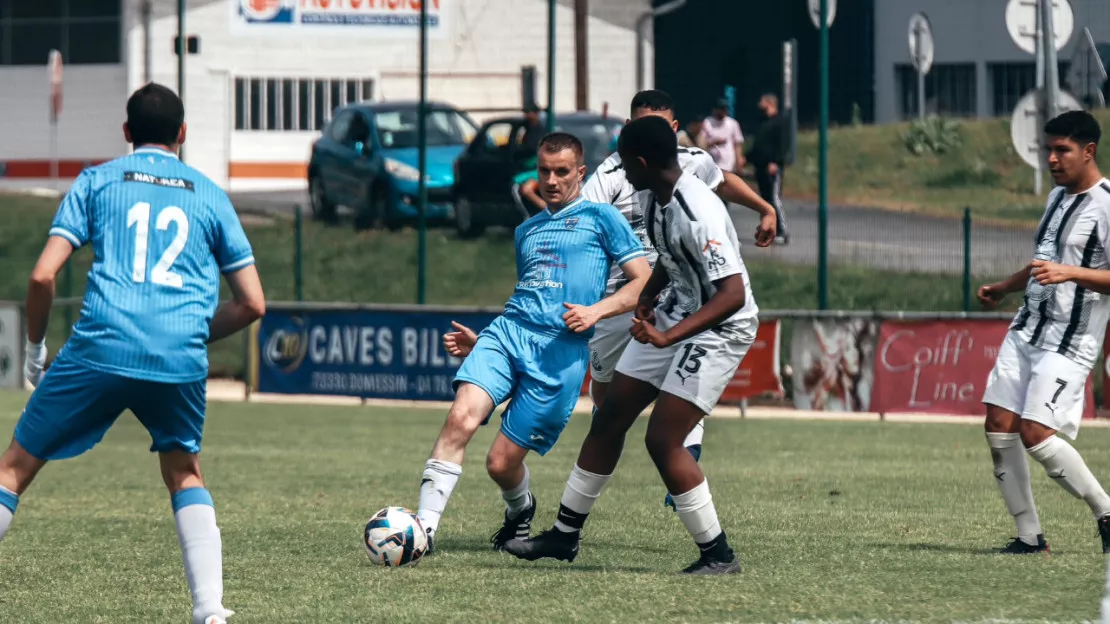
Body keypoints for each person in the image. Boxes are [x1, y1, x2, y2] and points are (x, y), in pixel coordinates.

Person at [0, 83, 266, 624]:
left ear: (126, 132)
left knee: (13, 469)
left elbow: (42, 275)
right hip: (178, 359)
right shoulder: (211, 195)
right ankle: (210, 610)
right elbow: (253, 303)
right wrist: (190, 331)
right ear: (183, 135)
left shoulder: (97, 181)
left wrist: (34, 347)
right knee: (185, 473)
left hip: (100, 345)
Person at [446, 90, 776, 511]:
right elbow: (579, 212)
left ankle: (686, 454)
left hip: (679, 296)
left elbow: (723, 182)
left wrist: (763, 207)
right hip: (624, 296)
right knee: (608, 402)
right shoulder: (615, 173)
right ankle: (571, 525)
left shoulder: (692, 171)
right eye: (638, 124)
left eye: (656, 124)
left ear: (672, 130)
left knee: (670, 406)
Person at [502, 115, 756, 574]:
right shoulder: (655, 198)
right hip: (676, 312)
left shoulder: (698, 210)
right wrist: (652, 295)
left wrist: (667, 335)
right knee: (610, 416)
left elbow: (732, 295)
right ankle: (564, 536)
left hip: (721, 328)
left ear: (640, 162)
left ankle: (718, 555)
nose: (616, 167)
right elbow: (668, 260)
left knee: (663, 439)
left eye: (621, 159)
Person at [416, 132, 651, 555]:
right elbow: (530, 292)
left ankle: (520, 509)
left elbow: (644, 282)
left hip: (559, 353)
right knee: (460, 420)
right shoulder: (526, 230)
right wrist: (481, 341)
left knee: (500, 464)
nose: (552, 180)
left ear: (580, 173)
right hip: (506, 335)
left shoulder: (602, 219)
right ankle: (423, 533)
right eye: (544, 171)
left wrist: (596, 312)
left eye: (562, 171)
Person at [977, 109, 1110, 556]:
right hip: (1027, 328)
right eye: (1047, 150)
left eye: (1061, 150)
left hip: (1070, 340)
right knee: (998, 426)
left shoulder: (1107, 204)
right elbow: (1043, 265)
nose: (1051, 159)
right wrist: (1005, 286)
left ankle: (1105, 511)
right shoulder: (1055, 198)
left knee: (1035, 433)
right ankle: (1029, 536)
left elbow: (1066, 270)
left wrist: (1071, 272)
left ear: (1088, 151)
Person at [746, 93, 790, 244]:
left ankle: (783, 231)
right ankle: (769, 229)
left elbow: (783, 145)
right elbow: (758, 145)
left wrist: (776, 162)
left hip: (772, 167)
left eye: (762, 101)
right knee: (764, 200)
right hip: (760, 166)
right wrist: (748, 157)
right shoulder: (761, 122)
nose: (759, 104)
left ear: (770, 103)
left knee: (774, 198)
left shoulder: (780, 122)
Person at [700, 98, 745, 174]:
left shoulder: (733, 123)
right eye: (721, 109)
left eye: (725, 109)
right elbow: (701, 144)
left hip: (728, 165)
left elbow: (737, 145)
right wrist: (713, 143)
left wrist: (738, 163)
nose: (724, 111)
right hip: (711, 164)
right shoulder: (707, 122)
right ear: (714, 109)